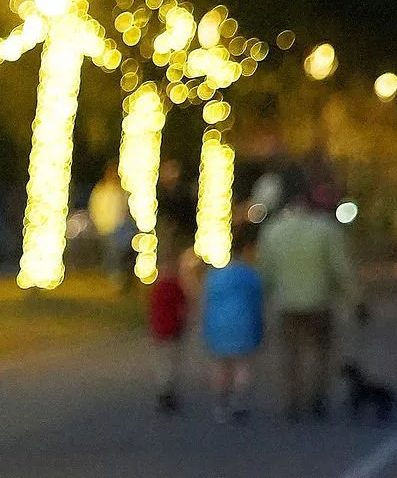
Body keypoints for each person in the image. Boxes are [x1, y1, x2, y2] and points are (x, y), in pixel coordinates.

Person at [255, 178, 356, 419]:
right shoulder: (326, 229)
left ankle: (293, 400)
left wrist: (262, 299)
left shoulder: (273, 231)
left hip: (286, 303)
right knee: (322, 353)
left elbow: (265, 271)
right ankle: (317, 398)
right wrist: (355, 299)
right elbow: (341, 268)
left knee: (291, 355)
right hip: (319, 301)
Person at [199, 225, 265, 421]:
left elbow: (205, 301)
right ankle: (240, 403)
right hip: (244, 323)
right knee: (243, 365)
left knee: (221, 365)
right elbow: (257, 302)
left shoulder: (214, 277)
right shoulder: (250, 275)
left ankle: (221, 404)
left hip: (218, 325)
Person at [147, 231, 190, 412]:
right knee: (170, 362)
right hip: (172, 329)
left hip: (159, 330)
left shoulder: (157, 287)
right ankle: (167, 392)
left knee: (162, 362)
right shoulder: (175, 286)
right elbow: (183, 306)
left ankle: (162, 390)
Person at [87, 161, 131, 285]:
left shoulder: (121, 192)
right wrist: (99, 222)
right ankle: (113, 276)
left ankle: (116, 277)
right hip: (105, 227)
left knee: (115, 253)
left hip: (119, 228)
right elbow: (95, 206)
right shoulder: (101, 190)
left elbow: (125, 209)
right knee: (109, 253)